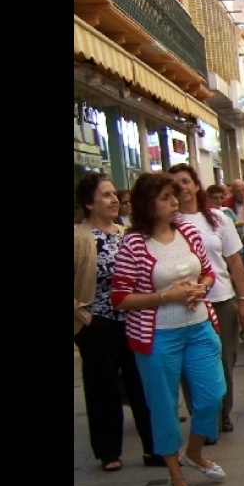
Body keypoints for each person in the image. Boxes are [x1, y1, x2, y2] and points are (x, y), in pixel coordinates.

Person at [111, 173, 227, 486]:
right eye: (165, 197)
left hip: (199, 326)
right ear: (148, 204)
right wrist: (166, 296)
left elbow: (205, 271)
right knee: (162, 405)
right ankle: (175, 475)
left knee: (212, 394)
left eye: (174, 195)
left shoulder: (188, 232)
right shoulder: (134, 243)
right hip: (157, 334)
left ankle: (194, 451)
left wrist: (201, 288)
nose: (175, 202)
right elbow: (119, 298)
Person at [74, 172, 160, 471]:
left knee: (143, 384)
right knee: (103, 388)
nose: (114, 200)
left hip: (133, 319)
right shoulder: (79, 237)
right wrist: (83, 316)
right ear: (88, 203)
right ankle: (109, 451)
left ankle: (155, 448)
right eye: (106, 195)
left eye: (115, 195)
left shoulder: (127, 234)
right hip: (96, 323)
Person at [170, 163, 244, 438]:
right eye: (175, 183)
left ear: (195, 185)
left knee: (224, 359)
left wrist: (243, 299)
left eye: (185, 181)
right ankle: (202, 418)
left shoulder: (217, 218)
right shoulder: (169, 223)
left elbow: (234, 261)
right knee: (190, 364)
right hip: (185, 303)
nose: (181, 187)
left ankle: (222, 412)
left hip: (221, 298)